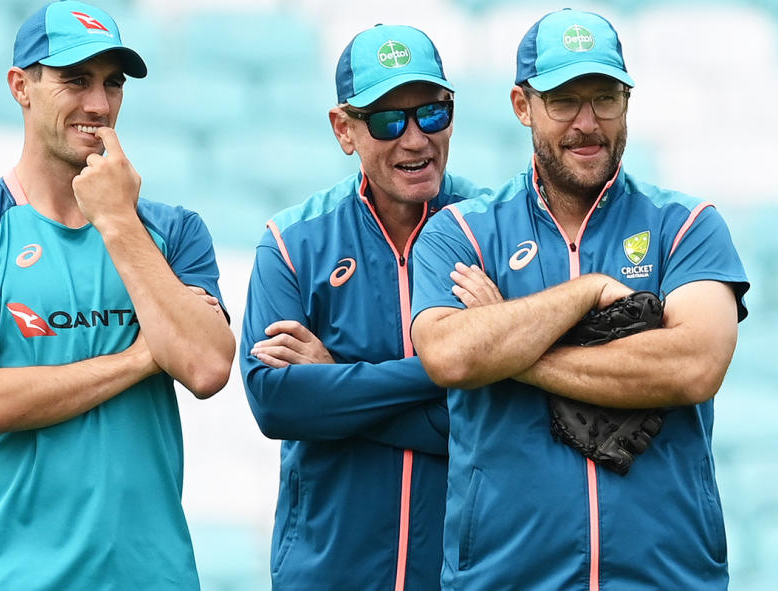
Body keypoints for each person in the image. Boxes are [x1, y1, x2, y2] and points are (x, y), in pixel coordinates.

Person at [0, 2, 235, 588]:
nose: (99, 105)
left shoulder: (173, 231)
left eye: (112, 84)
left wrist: (119, 223)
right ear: (20, 87)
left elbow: (205, 366)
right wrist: (143, 356)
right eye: (75, 80)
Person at [409, 8, 750, 590]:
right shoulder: (459, 233)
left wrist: (512, 352)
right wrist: (585, 293)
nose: (587, 122)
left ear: (627, 102)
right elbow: (450, 356)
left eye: (605, 98)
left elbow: (695, 365)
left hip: (666, 577)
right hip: (505, 576)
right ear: (523, 107)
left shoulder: (688, 224)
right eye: (564, 100)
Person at [239, 24, 490, 591]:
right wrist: (453, 367)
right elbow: (277, 405)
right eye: (386, 120)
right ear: (344, 130)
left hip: (462, 574)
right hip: (327, 574)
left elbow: (509, 417)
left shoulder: (493, 231)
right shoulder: (292, 243)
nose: (415, 140)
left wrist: (335, 383)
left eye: (431, 113)